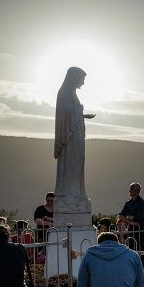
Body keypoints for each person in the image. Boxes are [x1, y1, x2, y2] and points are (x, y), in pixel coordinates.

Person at [54, 66, 95, 213]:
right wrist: (79, 111)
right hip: (69, 138)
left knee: (78, 162)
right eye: (82, 79)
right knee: (71, 163)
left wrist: (82, 115)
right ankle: (69, 193)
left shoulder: (72, 93)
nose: (83, 83)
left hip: (76, 135)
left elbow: (71, 112)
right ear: (74, 78)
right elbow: (63, 112)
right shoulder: (64, 92)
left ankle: (76, 192)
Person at [117, 182, 144, 267]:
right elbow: (120, 215)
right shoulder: (128, 203)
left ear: (136, 190)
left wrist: (128, 218)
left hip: (140, 231)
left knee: (141, 250)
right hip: (130, 231)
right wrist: (129, 221)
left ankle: (142, 267)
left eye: (130, 189)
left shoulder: (142, 204)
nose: (129, 191)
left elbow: (140, 218)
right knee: (130, 250)